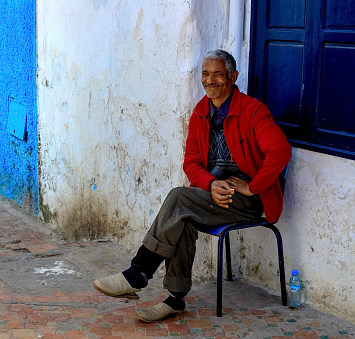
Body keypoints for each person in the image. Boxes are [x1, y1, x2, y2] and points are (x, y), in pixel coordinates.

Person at [93, 49, 292, 322]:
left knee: (179, 198)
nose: (210, 81)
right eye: (205, 74)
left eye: (218, 74)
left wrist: (253, 187)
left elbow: (281, 151)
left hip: (247, 203)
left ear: (233, 77)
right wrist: (211, 185)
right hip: (213, 197)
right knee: (182, 218)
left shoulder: (253, 111)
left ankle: (138, 272)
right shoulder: (200, 112)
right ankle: (175, 299)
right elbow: (191, 163)